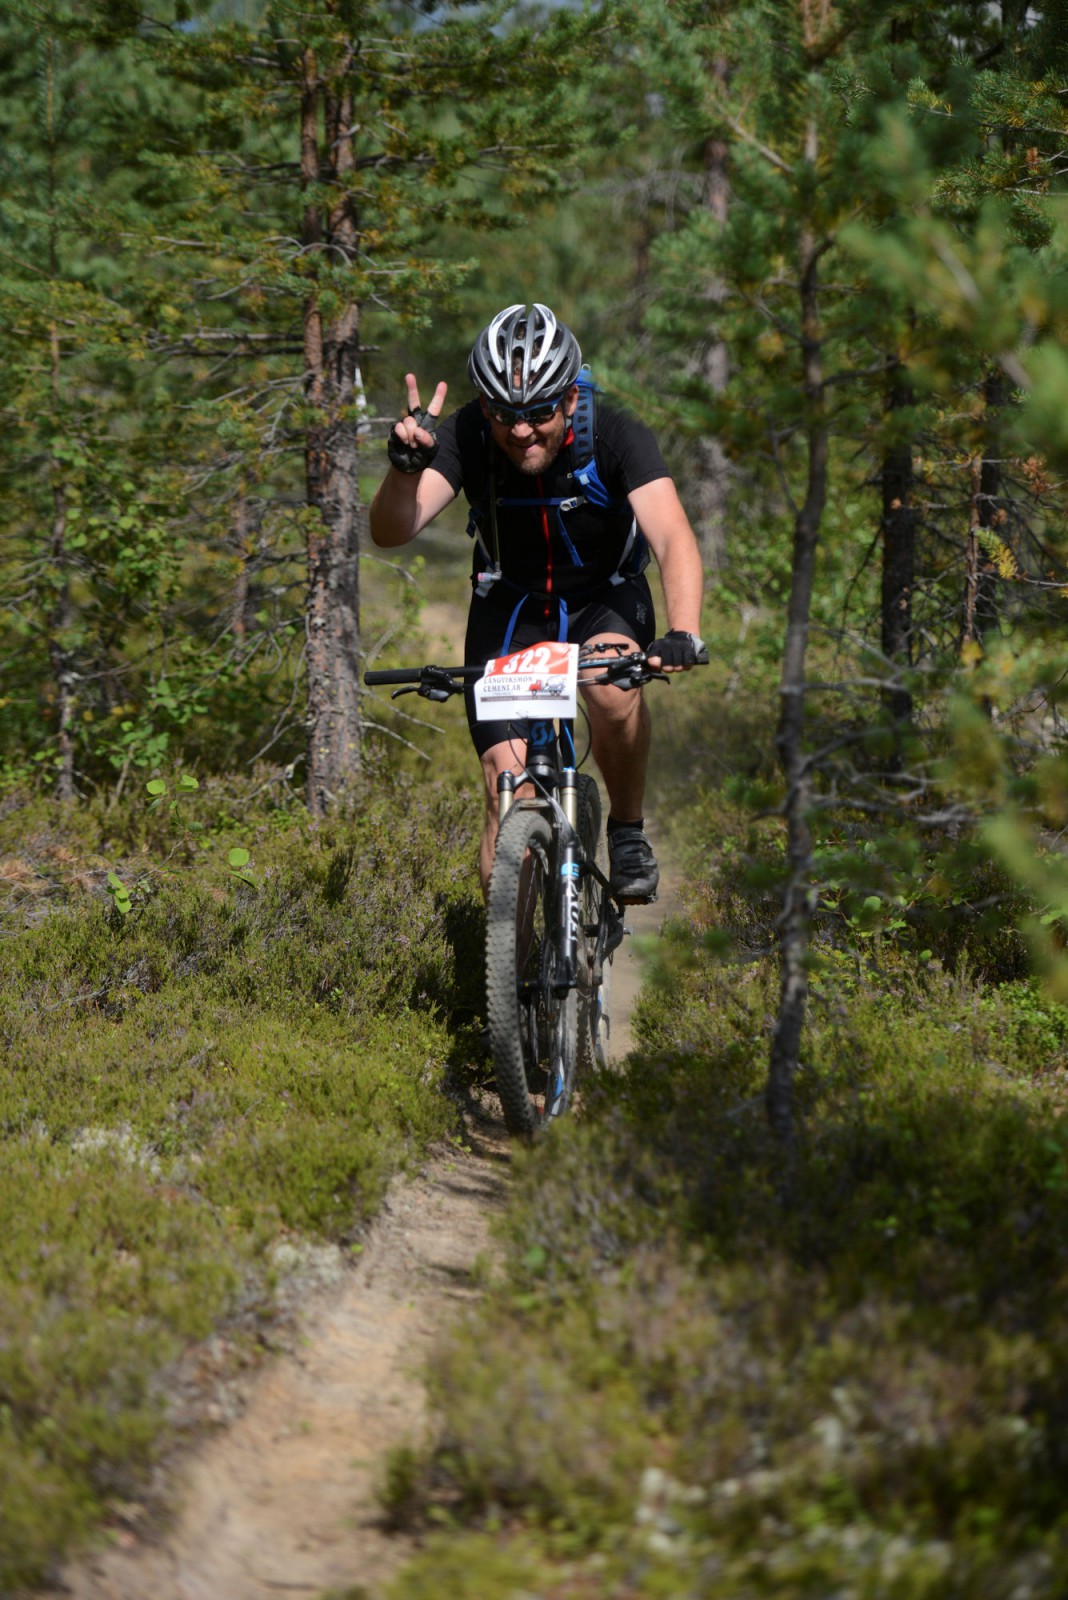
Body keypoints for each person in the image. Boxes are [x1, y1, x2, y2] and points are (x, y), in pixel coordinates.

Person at [369, 302, 705, 902]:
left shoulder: (613, 430)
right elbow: (394, 530)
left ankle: (627, 830)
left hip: (603, 598)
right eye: (504, 413)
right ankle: (514, 967)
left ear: (570, 399)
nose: (520, 430)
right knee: (505, 785)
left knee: (610, 688)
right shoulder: (469, 433)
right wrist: (403, 471)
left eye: (539, 412)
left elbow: (673, 535)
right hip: (513, 608)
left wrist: (682, 629)